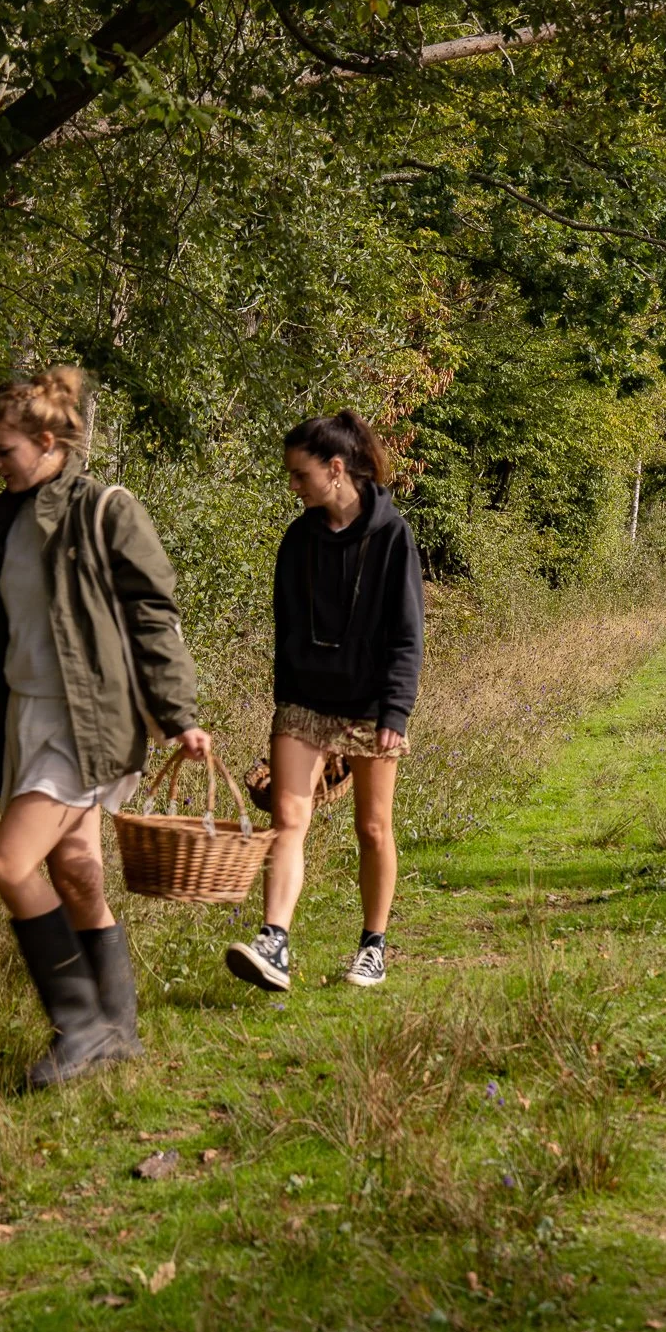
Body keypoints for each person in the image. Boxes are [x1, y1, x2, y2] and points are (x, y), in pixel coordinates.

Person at [0, 367, 210, 1089]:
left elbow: (153, 616)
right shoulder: (10, 523)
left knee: (9, 863)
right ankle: (117, 1029)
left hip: (87, 723)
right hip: (26, 718)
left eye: (2, 451)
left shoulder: (106, 510)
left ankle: (79, 1024)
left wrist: (178, 716)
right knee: (77, 871)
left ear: (47, 441)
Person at [225, 410, 424, 992]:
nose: (294, 485)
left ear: (336, 470)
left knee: (372, 827)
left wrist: (396, 709)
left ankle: (372, 947)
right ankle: (274, 943)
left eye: (299, 474)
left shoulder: (392, 536)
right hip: (304, 699)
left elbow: (407, 632)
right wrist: (283, 708)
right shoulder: (298, 538)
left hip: (370, 703)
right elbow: (285, 629)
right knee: (288, 819)